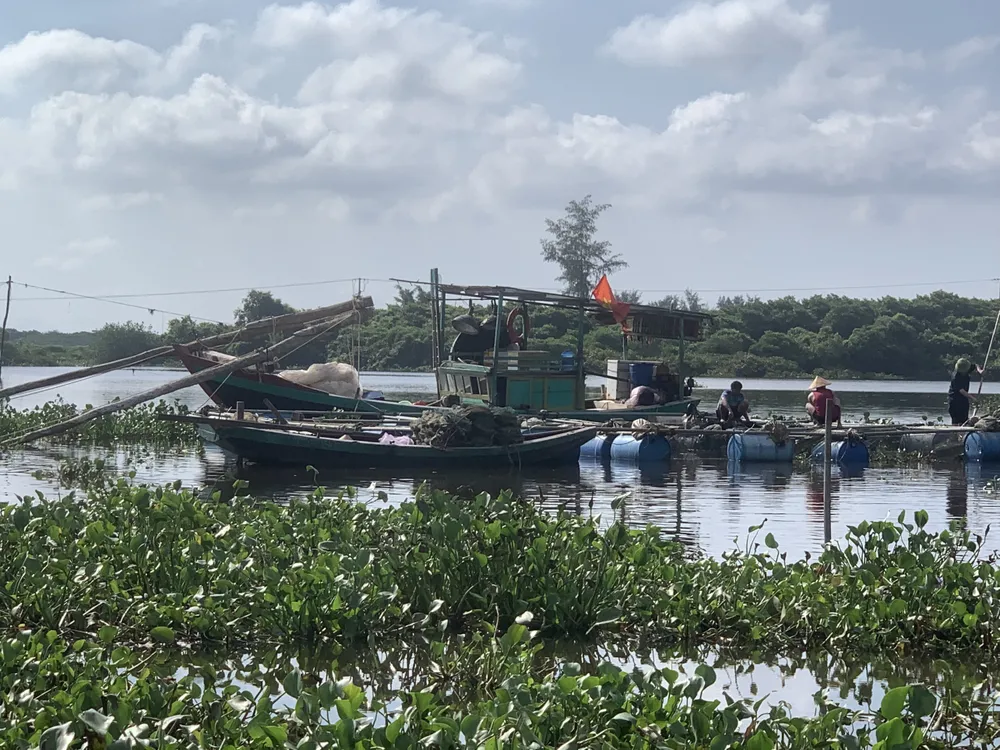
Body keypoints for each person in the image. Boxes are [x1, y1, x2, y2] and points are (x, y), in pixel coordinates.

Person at [948, 358, 983, 426]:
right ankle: (954, 434)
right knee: (956, 421)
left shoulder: (967, 368)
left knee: (964, 419)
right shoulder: (956, 377)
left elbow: (975, 365)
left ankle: (963, 433)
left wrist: (980, 371)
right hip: (954, 401)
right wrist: (973, 398)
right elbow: (962, 391)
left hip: (963, 400)